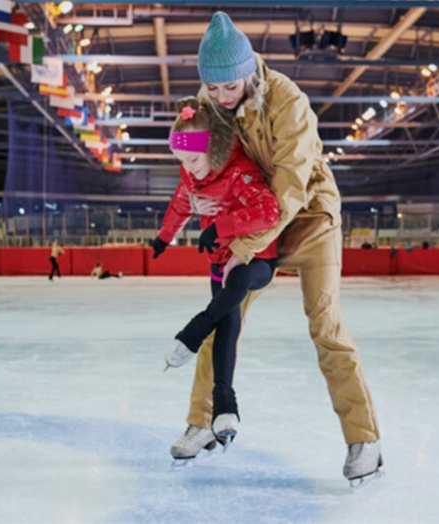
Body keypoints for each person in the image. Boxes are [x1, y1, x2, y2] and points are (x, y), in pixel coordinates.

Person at [169, 11, 382, 482]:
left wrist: (241, 244)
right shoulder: (210, 101)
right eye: (213, 88)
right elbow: (203, 165)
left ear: (248, 70)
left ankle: (363, 438)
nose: (221, 98)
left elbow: (287, 191)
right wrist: (210, 214)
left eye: (229, 87)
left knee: (326, 326)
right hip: (253, 219)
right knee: (225, 314)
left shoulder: (289, 102)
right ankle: (201, 423)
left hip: (308, 218)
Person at [151, 97, 279, 449]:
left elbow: (269, 211)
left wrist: (220, 225)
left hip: (256, 258)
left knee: (235, 286)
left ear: (214, 147)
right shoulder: (191, 173)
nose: (189, 169)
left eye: (193, 159)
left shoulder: (239, 171)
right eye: (182, 161)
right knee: (227, 323)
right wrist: (164, 237)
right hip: (220, 260)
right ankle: (222, 408)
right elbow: (181, 198)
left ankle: (193, 332)